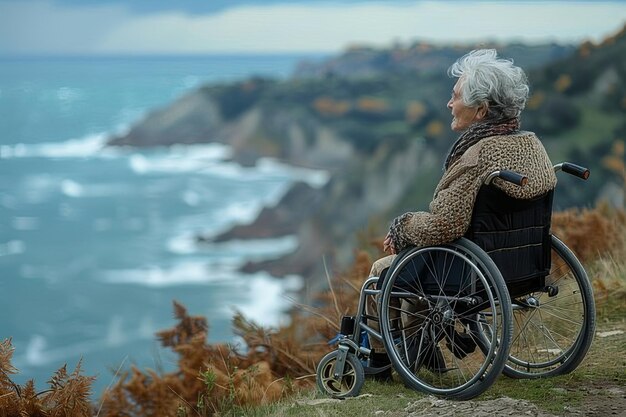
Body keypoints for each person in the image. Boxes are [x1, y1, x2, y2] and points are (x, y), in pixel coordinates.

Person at [366, 48, 558, 377]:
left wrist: (402, 227)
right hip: (519, 263)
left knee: (379, 273)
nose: (448, 104)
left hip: (469, 269)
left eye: (455, 97)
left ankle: (381, 361)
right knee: (417, 265)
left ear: (481, 110)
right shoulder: (530, 143)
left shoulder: (478, 155)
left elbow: (446, 224)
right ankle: (421, 349)